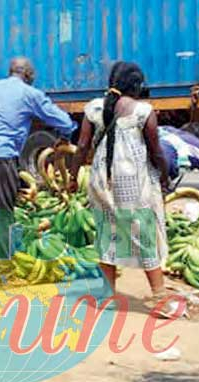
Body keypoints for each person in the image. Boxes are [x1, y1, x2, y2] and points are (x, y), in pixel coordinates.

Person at [0, 57, 77, 291]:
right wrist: (66, 136)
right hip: (2, 156)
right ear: (29, 76)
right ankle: (4, 275)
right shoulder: (30, 94)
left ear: (11, 72)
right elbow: (63, 121)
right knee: (3, 215)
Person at [78, 61, 170, 294]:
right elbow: (156, 150)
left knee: (107, 235)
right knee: (143, 232)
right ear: (136, 86)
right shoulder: (143, 111)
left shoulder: (94, 109)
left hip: (102, 180)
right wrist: (164, 175)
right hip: (134, 182)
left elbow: (81, 146)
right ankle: (159, 295)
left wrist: (71, 176)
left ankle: (107, 295)